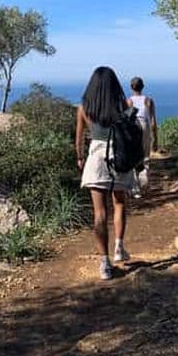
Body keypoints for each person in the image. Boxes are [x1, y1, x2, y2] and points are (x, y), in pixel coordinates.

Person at [75, 66, 135, 280]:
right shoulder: (124, 106)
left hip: (96, 158)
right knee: (119, 203)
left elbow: (79, 140)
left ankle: (104, 263)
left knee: (99, 213)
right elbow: (132, 133)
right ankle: (119, 247)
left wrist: (80, 158)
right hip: (119, 158)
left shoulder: (83, 108)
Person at [127, 76, 157, 197]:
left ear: (131, 87)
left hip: (133, 127)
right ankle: (144, 180)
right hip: (145, 127)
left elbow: (126, 119)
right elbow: (154, 122)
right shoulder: (148, 101)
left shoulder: (129, 101)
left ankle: (135, 189)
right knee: (145, 155)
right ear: (142, 87)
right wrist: (155, 139)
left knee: (133, 156)